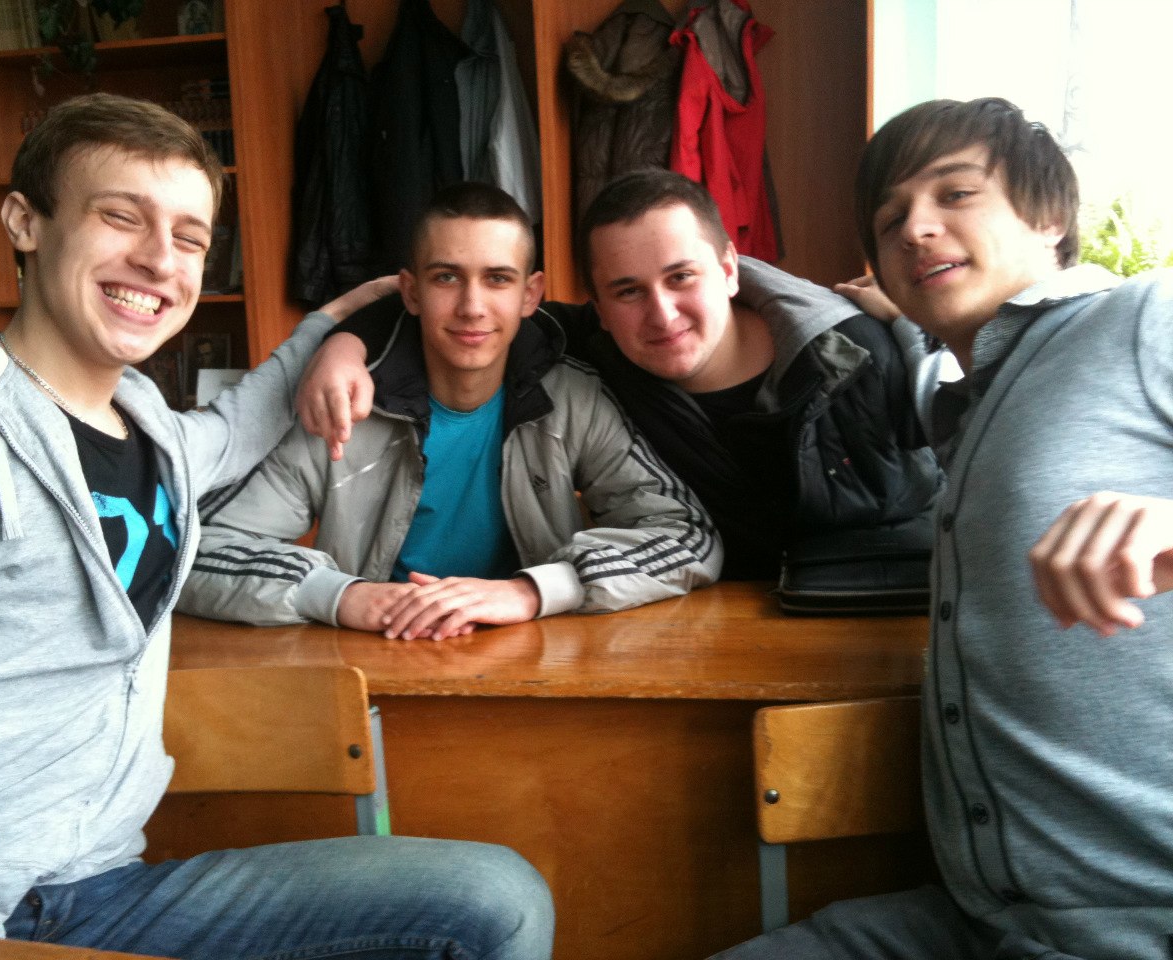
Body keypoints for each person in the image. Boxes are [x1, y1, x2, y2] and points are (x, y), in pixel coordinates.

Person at [0, 93, 554, 959]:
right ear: (25, 221)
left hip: (105, 889)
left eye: (190, 237)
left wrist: (346, 328)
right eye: (120, 217)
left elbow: (249, 415)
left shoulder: (148, 427)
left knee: (496, 900)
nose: (158, 260)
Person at [708, 97, 1173, 959]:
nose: (917, 229)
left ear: (1049, 217)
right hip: (977, 920)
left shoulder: (1142, 319)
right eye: (890, 221)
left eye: (956, 195)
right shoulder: (964, 395)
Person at [305, 170, 943, 580]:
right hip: (712, 633)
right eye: (628, 291)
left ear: (729, 268)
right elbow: (466, 309)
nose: (661, 314)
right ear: (601, 307)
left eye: (681, 277)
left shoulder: (858, 356)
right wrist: (343, 346)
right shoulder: (597, 349)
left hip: (882, 617)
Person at [178, 182, 720, 640]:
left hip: (533, 652)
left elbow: (688, 534)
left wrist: (532, 590)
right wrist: (343, 597)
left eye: (498, 278)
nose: (472, 307)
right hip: (378, 653)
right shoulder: (341, 401)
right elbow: (191, 553)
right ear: (410, 292)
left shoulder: (574, 398)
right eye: (446, 278)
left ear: (531, 294)